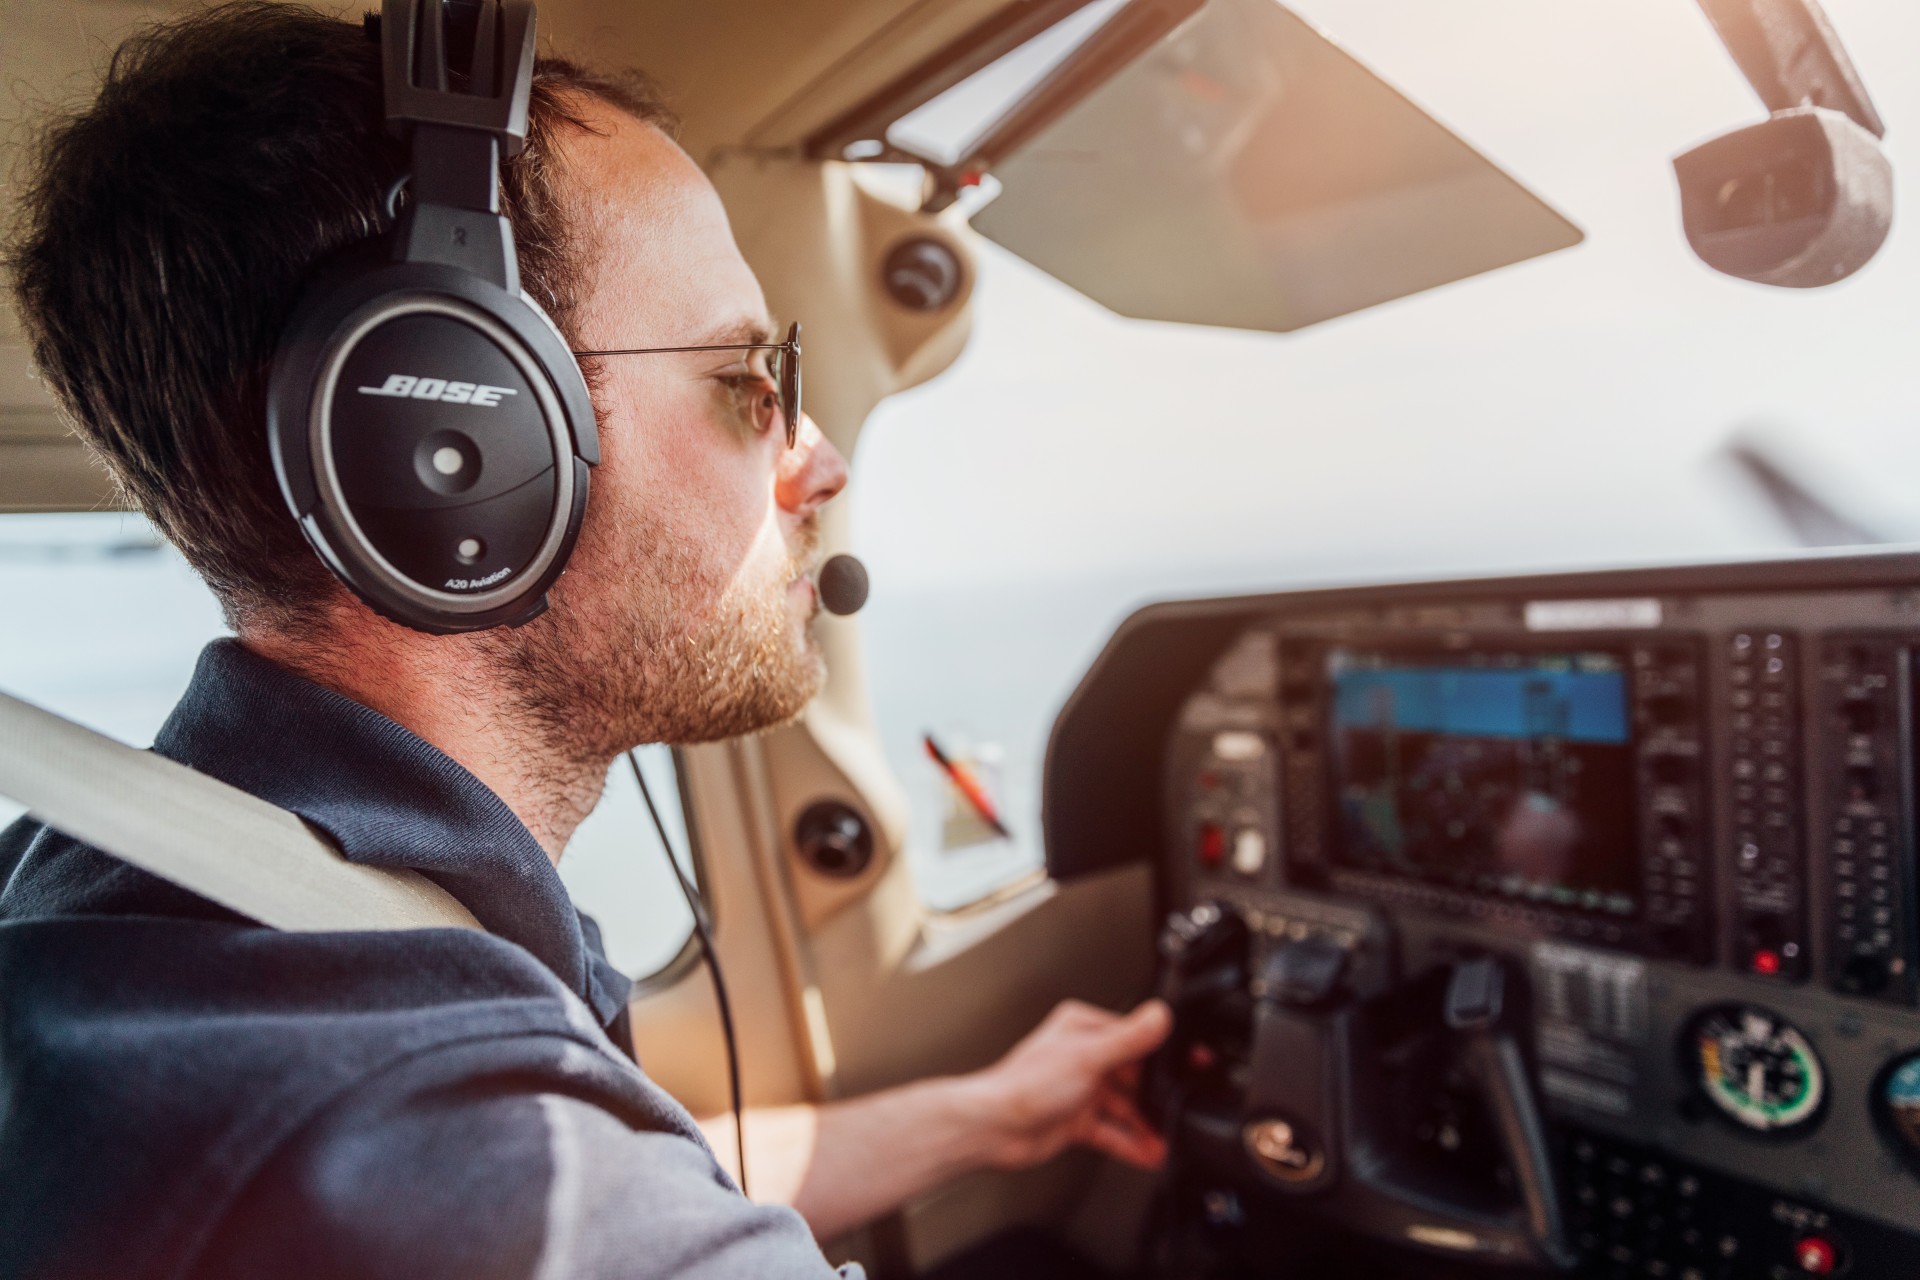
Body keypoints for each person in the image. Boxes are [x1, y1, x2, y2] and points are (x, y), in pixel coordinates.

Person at [0, 3, 1171, 1277]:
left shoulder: (123, 891)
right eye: (748, 379)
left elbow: (616, 1167)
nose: (819, 461)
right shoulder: (451, 1156)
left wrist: (990, 1116)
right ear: (452, 445)